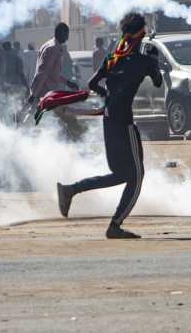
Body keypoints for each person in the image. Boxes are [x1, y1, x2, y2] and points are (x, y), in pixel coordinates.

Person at [56, 13, 165, 239]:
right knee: (136, 176)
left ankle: (71, 190)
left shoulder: (111, 59)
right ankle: (115, 225)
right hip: (125, 124)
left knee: (120, 174)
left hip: (109, 121)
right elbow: (157, 82)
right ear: (139, 38)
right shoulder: (142, 61)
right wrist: (153, 62)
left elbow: (92, 83)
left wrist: (107, 94)